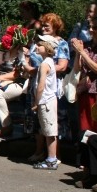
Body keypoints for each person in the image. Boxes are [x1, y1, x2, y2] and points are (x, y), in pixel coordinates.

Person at [23, 13, 70, 161]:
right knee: (37, 119)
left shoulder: (61, 43)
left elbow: (62, 66)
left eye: (47, 25)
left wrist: (42, 70)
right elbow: (29, 61)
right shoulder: (38, 42)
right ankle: (39, 151)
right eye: (42, 25)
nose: (43, 27)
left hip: (51, 86)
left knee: (53, 120)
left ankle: (55, 155)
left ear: (56, 26)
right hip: (34, 84)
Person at [70, 16, 97, 137]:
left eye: (95, 27)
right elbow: (77, 68)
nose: (91, 30)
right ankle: (85, 152)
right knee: (85, 125)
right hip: (85, 89)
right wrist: (78, 53)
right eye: (89, 27)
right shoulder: (86, 45)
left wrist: (82, 52)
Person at [31, 35, 60, 170]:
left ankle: (52, 159)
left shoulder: (44, 64)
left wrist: (37, 101)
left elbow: (41, 85)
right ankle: (51, 157)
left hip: (46, 100)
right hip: (49, 100)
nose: (37, 46)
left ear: (47, 47)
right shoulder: (49, 61)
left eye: (40, 45)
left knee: (49, 131)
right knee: (48, 130)